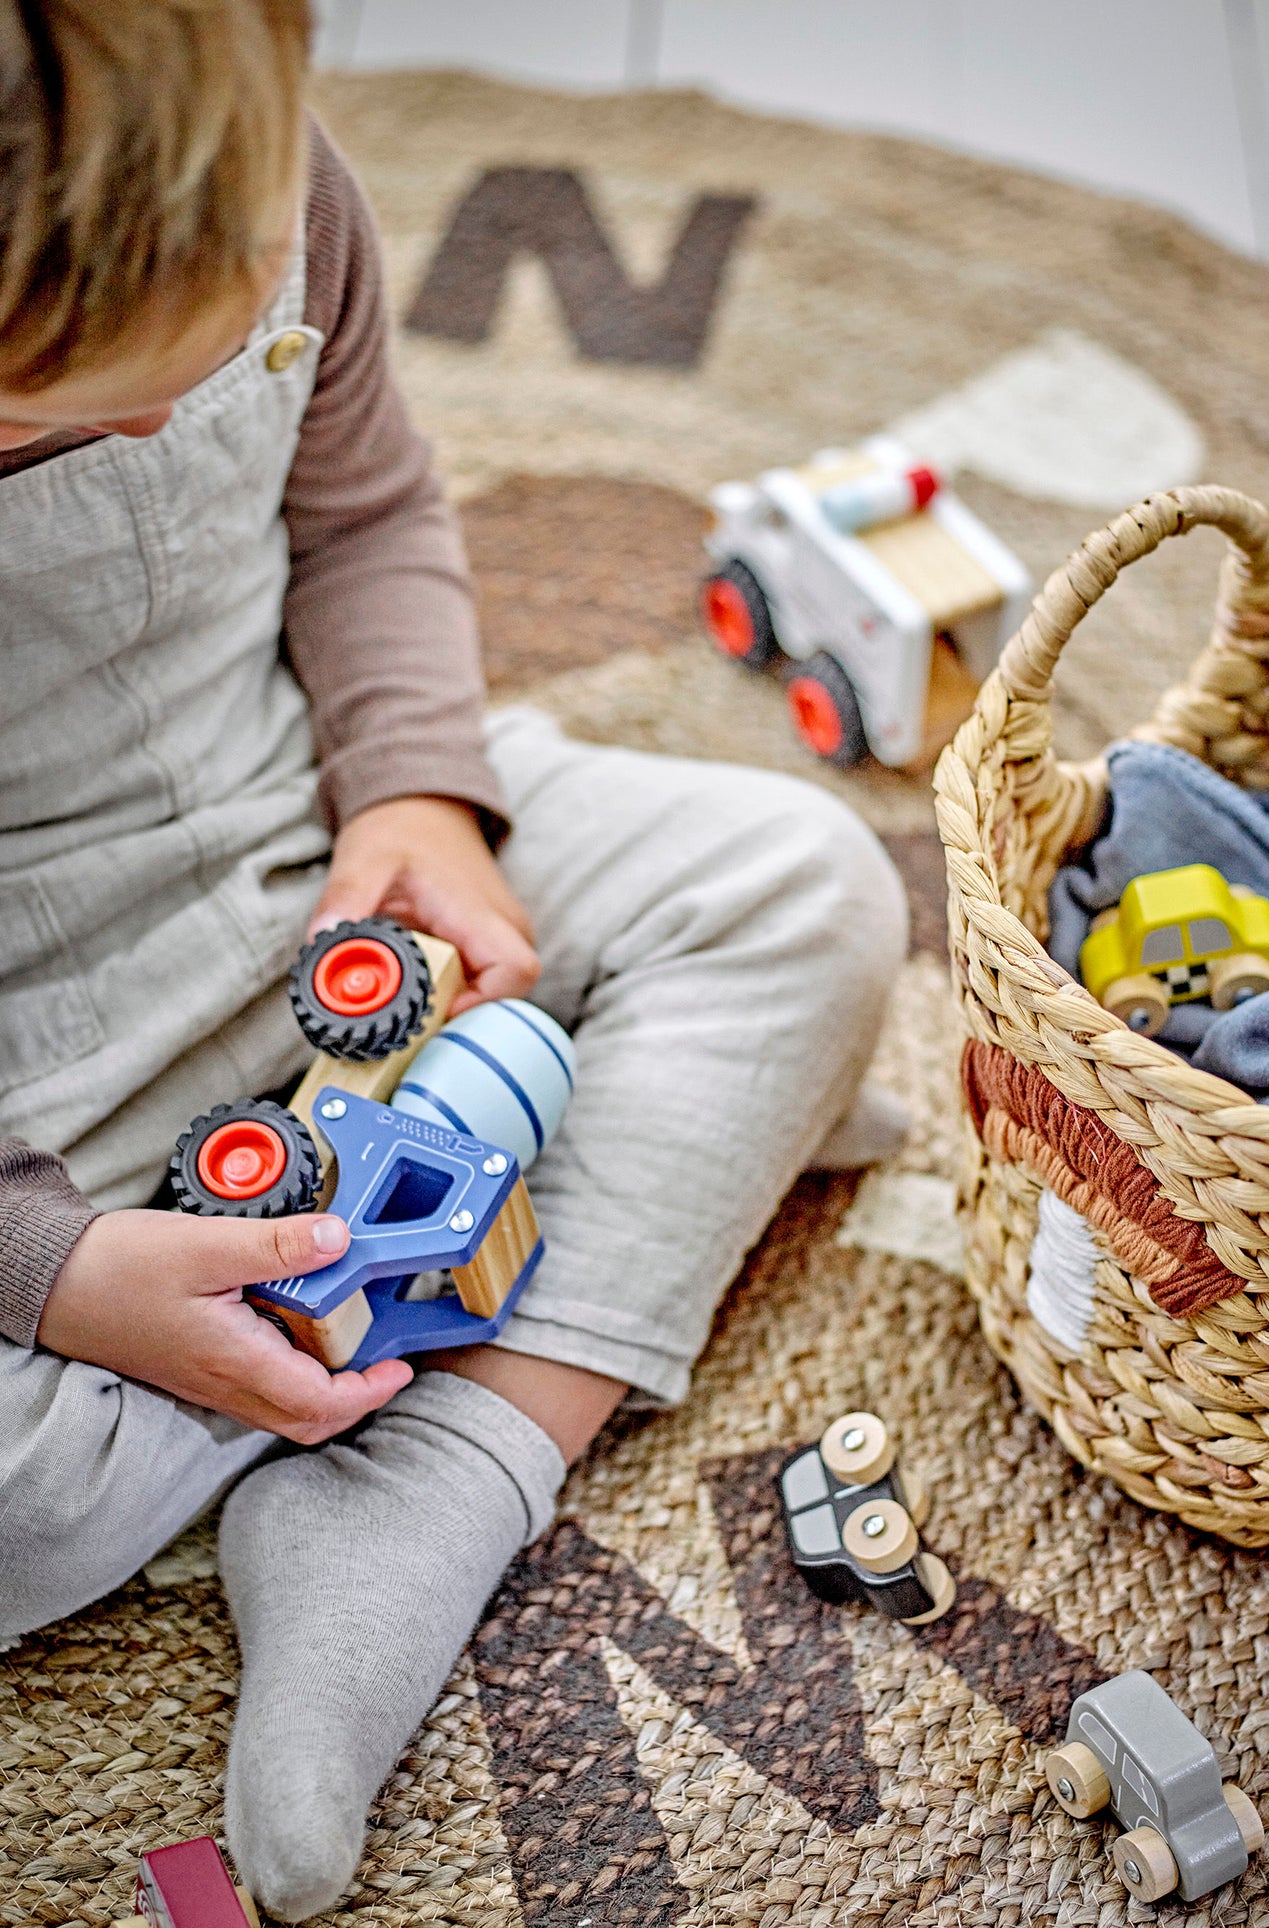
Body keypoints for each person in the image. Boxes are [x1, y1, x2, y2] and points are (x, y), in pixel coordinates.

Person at [0, 3, 909, 1919]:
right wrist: (60, 1272)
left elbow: (367, 515)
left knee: (806, 886)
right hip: (39, 1073)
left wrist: (418, 792)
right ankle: (600, 1168)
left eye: (211, 347)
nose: (161, 427)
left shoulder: (276, 189)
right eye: (56, 410)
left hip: (301, 824)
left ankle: (441, 1470)